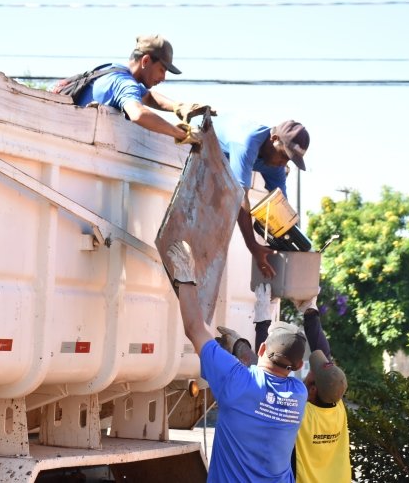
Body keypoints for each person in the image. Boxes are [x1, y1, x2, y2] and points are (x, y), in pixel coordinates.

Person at [166, 241, 308, 482]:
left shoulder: (236, 380)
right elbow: (264, 372)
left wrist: (185, 276)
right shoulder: (298, 394)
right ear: (297, 367)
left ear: (262, 347)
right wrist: (239, 346)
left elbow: (195, 329)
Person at [235, 286, 351, 482]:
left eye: (311, 372)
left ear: (313, 389)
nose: (307, 372)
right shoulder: (336, 406)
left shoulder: (299, 413)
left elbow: (265, 372)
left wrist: (262, 321)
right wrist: (310, 312)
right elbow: (325, 360)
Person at [215, 119, 310, 279]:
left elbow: (281, 210)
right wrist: (253, 245)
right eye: (283, 155)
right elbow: (240, 199)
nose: (283, 163)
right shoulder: (247, 142)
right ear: (274, 139)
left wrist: (294, 248)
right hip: (200, 136)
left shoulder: (276, 165)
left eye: (289, 160)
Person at [74, 34, 209, 144]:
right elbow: (138, 114)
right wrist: (181, 134)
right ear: (145, 61)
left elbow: (148, 96)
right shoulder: (125, 84)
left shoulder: (111, 70)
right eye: (162, 70)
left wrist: (177, 106)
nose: (163, 78)